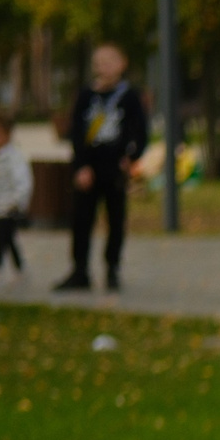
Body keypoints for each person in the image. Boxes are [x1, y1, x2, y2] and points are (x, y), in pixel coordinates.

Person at [55, 43, 149, 294]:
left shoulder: (129, 97)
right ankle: (80, 270)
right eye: (99, 62)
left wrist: (132, 157)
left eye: (109, 61)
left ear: (122, 64)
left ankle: (112, 268)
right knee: (82, 219)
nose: (103, 67)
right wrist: (81, 166)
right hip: (89, 169)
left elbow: (141, 132)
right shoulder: (86, 96)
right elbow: (76, 134)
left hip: (115, 168)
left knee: (116, 220)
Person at [0, 116, 31, 279]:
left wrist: (17, 201)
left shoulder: (14, 158)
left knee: (0, 237)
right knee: (9, 238)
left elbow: (22, 181)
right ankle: (20, 267)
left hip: (9, 207)